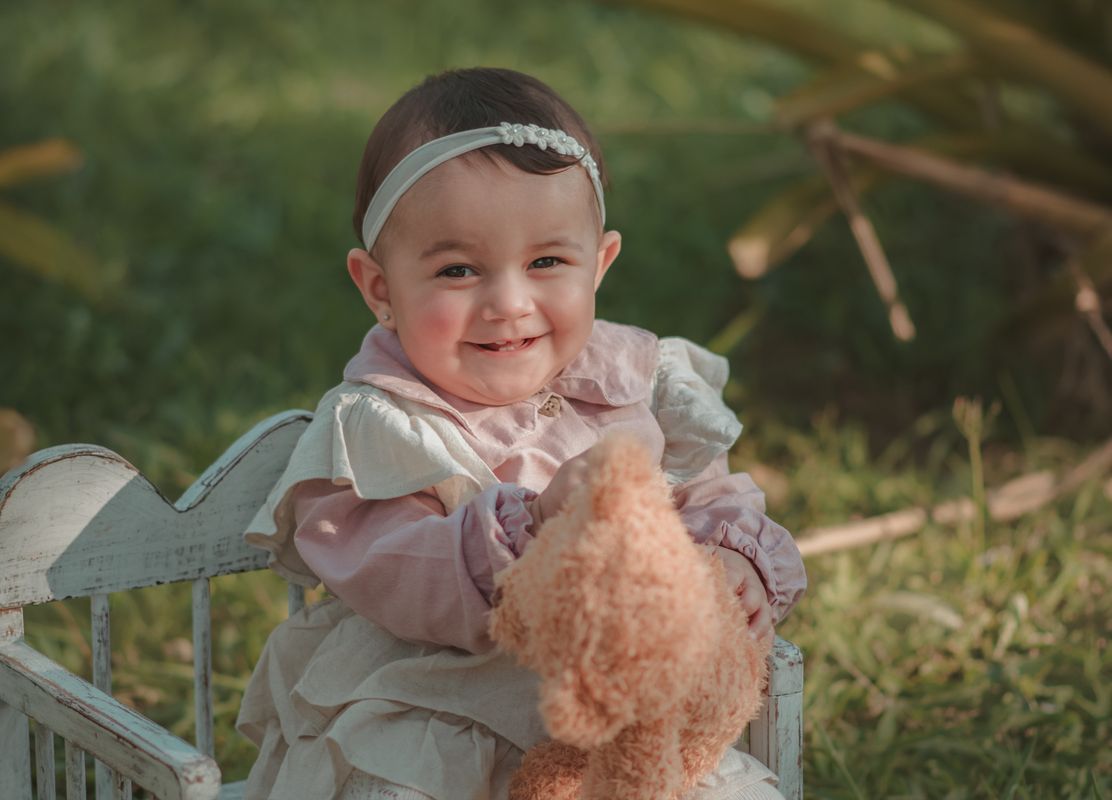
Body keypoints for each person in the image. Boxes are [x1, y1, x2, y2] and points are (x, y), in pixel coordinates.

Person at [236, 67, 806, 800]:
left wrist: (733, 563)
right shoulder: (381, 422)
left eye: (546, 262)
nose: (508, 302)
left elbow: (711, 496)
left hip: (615, 725)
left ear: (598, 265)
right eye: (458, 269)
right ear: (380, 288)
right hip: (433, 715)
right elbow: (393, 572)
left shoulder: (639, 383)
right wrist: (531, 524)